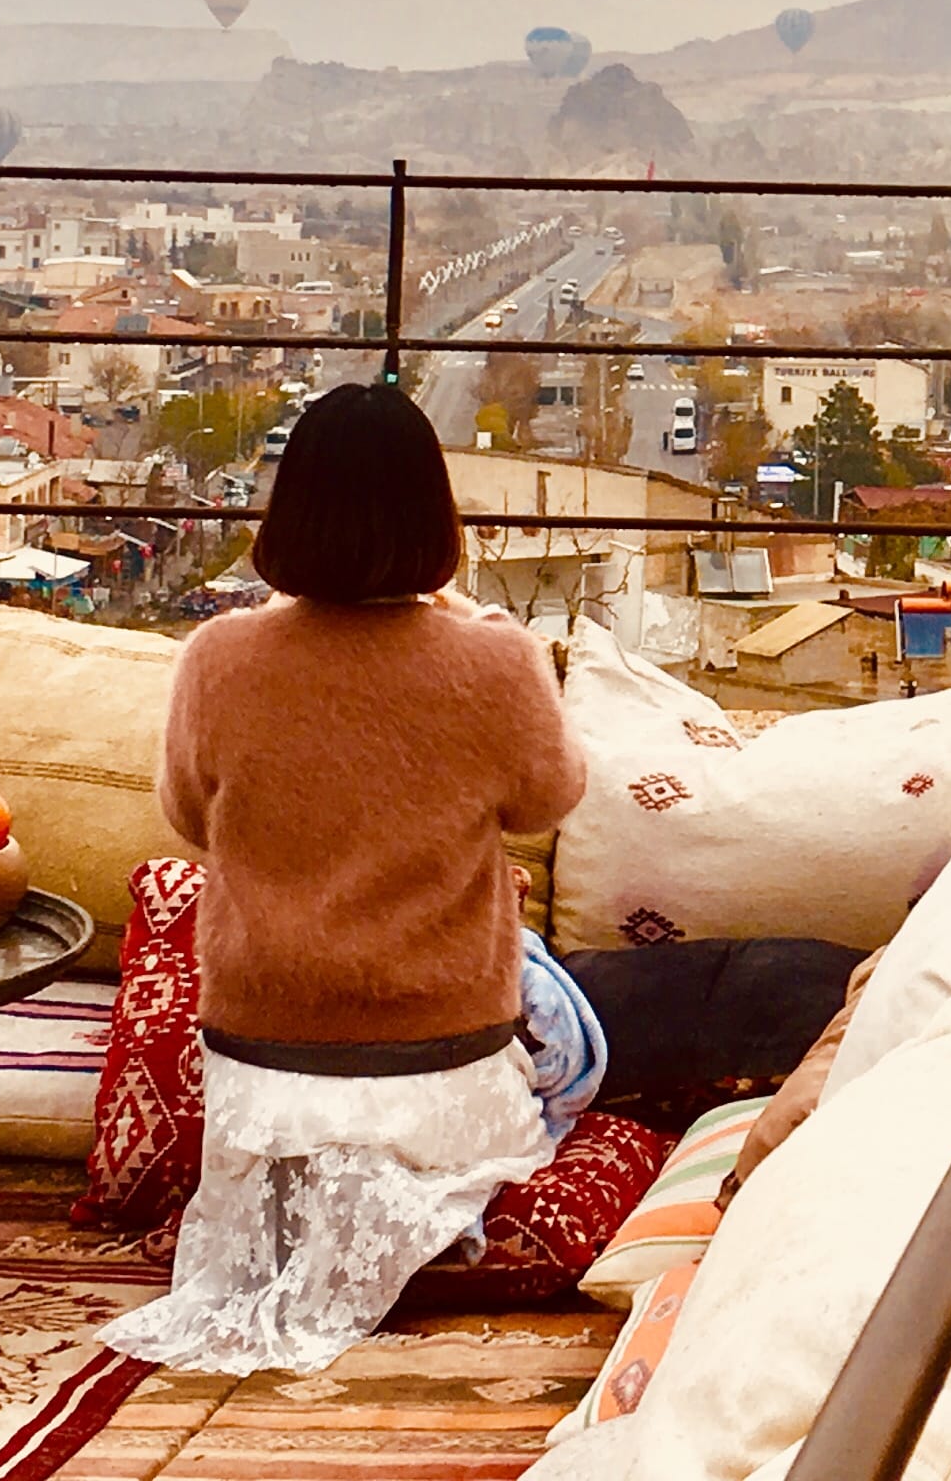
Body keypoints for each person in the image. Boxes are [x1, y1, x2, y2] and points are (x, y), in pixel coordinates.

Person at [102, 382, 589, 1374]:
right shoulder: (496, 661)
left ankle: (330, 1212)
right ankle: (424, 1220)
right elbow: (550, 798)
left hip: (261, 1051)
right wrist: (492, 643)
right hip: (439, 1046)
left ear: (288, 512)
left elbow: (190, 820)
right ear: (436, 517)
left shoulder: (217, 658)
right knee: (582, 1037)